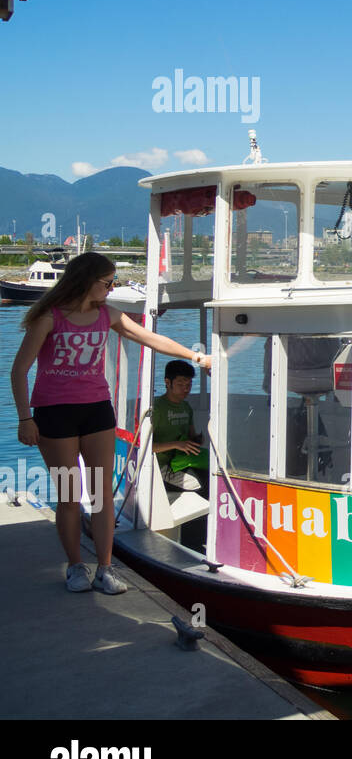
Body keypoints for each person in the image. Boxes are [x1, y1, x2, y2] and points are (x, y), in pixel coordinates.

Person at [10, 252, 211, 594]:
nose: (111, 287)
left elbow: (150, 339)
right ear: (87, 280)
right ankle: (76, 567)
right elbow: (19, 370)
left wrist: (193, 355)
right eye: (108, 282)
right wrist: (25, 419)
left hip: (97, 411)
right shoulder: (50, 317)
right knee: (70, 495)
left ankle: (105, 568)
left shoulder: (108, 315)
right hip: (54, 413)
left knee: (102, 495)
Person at [152, 360, 208, 494]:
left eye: (189, 384)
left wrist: (197, 440)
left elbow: (190, 437)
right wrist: (176, 444)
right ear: (167, 382)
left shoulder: (186, 407)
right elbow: (144, 447)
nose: (186, 389)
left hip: (183, 462)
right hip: (161, 467)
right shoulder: (156, 408)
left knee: (212, 475)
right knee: (199, 485)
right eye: (180, 384)